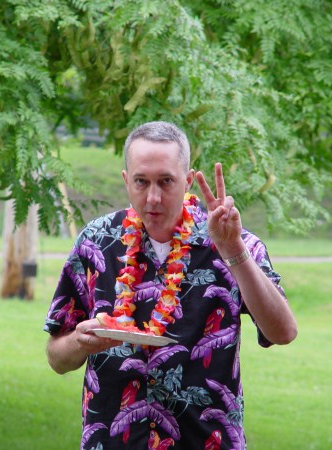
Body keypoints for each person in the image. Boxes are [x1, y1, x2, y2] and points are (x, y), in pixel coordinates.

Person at [44, 121, 297, 450]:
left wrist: (234, 251)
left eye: (166, 181)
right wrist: (79, 342)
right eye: (141, 181)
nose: (153, 197)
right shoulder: (97, 241)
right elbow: (56, 357)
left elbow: (283, 332)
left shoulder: (233, 241)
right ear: (126, 180)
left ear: (188, 180)